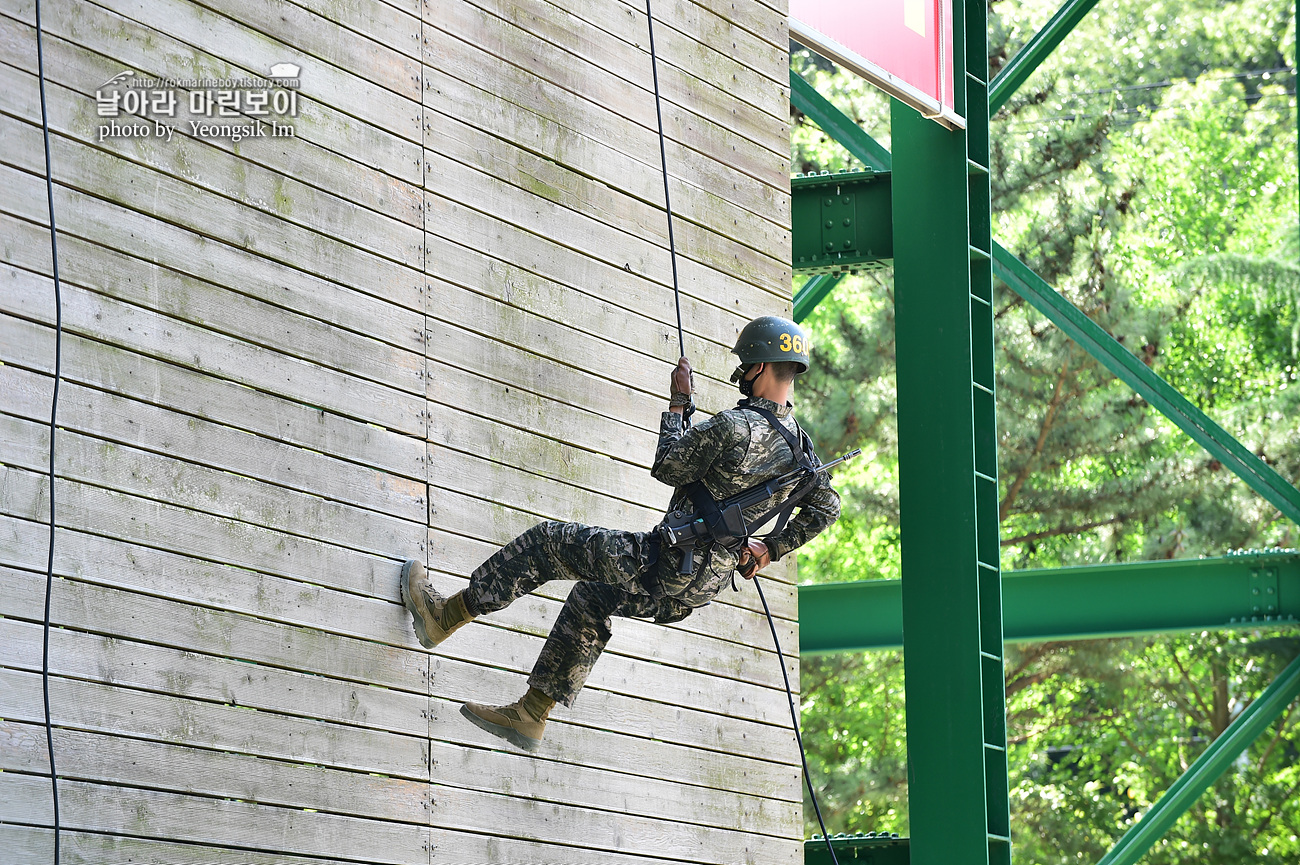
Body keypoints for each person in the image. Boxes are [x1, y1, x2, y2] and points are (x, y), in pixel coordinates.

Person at [399, 315, 842, 751]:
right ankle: (532, 713)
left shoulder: (734, 426)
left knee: (550, 542)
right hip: (702, 586)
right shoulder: (801, 448)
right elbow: (827, 508)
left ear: (759, 367)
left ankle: (445, 616)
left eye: (745, 365)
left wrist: (676, 406)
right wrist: (768, 549)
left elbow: (668, 465)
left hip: (664, 561)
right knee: (593, 596)